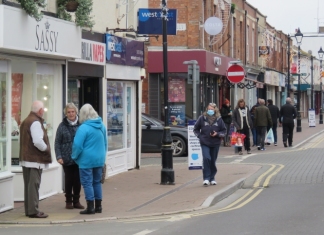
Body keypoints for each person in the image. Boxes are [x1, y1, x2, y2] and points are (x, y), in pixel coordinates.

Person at [72, 104, 107, 214]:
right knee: (97, 182)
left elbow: (77, 145)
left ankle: (90, 207)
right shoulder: (101, 126)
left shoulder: (83, 128)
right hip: (99, 159)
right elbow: (105, 143)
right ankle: (99, 206)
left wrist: (74, 156)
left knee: (87, 183)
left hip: (86, 160)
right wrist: (102, 156)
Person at [19, 100, 52, 218]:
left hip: (26, 158)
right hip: (34, 160)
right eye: (43, 109)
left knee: (29, 186)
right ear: (40, 110)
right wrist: (46, 149)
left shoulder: (26, 121)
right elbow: (38, 141)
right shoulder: (35, 122)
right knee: (33, 185)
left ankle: (29, 210)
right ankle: (33, 211)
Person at [54, 103, 84, 210]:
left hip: (79, 158)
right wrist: (58, 156)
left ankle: (76, 201)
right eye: (68, 112)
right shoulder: (61, 126)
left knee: (77, 180)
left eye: (73, 112)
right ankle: (68, 201)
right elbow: (57, 142)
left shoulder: (81, 125)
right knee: (68, 180)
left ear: (76, 112)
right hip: (66, 158)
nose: (71, 114)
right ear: (66, 114)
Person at [193, 103, 227, 186]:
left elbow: (224, 131)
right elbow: (195, 129)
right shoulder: (202, 118)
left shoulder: (219, 119)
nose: (210, 110)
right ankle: (206, 178)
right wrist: (200, 136)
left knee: (212, 161)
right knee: (206, 158)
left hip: (215, 143)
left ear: (215, 110)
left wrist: (217, 134)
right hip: (205, 142)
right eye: (209, 109)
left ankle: (212, 178)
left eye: (212, 109)